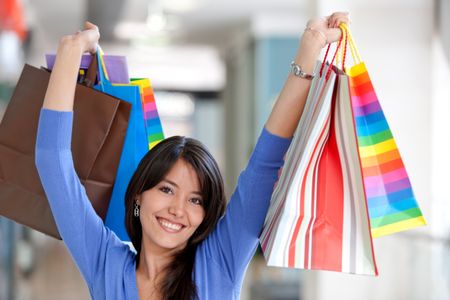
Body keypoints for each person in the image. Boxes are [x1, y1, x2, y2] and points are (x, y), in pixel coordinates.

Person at [35, 12, 350, 300]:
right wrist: (72, 50)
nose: (177, 210)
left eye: (196, 200)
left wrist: (310, 47)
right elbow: (53, 161)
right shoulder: (106, 264)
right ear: (139, 196)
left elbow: (265, 163)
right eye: (167, 189)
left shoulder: (220, 262)